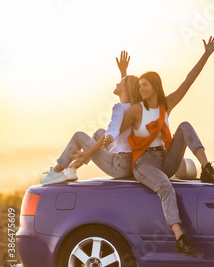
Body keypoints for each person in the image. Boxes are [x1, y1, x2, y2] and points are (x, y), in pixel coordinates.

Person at [119, 36, 214, 256]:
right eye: (139, 86)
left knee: (185, 126)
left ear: (155, 86)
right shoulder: (137, 109)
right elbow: (125, 102)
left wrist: (205, 55)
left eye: (145, 85)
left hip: (165, 159)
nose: (141, 88)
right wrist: (123, 73)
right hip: (144, 163)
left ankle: (207, 169)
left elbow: (188, 81)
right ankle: (180, 237)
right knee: (166, 187)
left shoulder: (166, 106)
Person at [40, 51, 141, 185]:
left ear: (126, 89)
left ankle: (56, 172)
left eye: (121, 82)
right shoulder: (133, 107)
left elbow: (114, 128)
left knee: (79, 136)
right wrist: (123, 71)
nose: (117, 84)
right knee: (99, 132)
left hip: (118, 166)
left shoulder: (119, 108)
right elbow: (129, 86)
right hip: (129, 163)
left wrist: (107, 138)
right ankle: (73, 169)